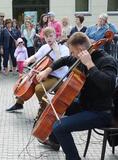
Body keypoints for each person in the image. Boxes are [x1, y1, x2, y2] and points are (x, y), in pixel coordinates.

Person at [36, 32, 118, 160]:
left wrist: (90, 65)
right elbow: (64, 60)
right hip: (85, 104)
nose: (71, 55)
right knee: (56, 106)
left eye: (72, 52)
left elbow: (109, 85)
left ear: (81, 50)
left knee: (59, 127)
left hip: (100, 112)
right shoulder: (80, 57)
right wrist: (48, 70)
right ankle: (54, 141)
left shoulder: (106, 61)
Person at [6, 27, 69, 123]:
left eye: (51, 36)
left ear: (55, 36)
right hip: (44, 74)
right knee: (26, 80)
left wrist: (56, 51)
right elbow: (35, 56)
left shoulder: (64, 49)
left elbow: (62, 66)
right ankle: (19, 103)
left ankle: (45, 110)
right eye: (46, 36)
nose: (49, 39)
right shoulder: (45, 47)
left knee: (39, 88)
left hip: (57, 77)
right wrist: (28, 60)